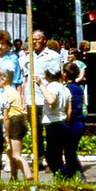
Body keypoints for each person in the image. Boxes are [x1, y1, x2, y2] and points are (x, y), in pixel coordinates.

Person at [22, 30, 60, 167]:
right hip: (32, 98)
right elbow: (25, 79)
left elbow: (55, 77)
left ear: (44, 40)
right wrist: (23, 100)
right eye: (32, 40)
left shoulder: (53, 55)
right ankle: (39, 157)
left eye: (38, 40)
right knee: (35, 130)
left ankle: (52, 159)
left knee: (50, 129)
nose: (35, 42)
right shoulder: (27, 57)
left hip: (46, 96)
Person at [35, 61, 70, 177]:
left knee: (52, 156)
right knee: (57, 154)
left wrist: (41, 85)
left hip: (53, 123)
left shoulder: (53, 86)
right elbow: (68, 110)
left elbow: (51, 100)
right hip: (62, 121)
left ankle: (62, 176)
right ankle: (61, 176)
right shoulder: (64, 88)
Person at [0, 69, 32, 181]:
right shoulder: (12, 91)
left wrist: (6, 133)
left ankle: (28, 174)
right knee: (10, 152)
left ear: (3, 79)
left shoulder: (6, 94)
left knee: (16, 154)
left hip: (15, 122)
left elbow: (5, 116)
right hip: (18, 121)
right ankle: (14, 177)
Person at [63, 62, 85, 180]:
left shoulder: (67, 89)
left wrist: (66, 123)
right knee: (71, 150)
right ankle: (76, 174)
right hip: (80, 121)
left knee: (69, 151)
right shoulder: (78, 88)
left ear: (65, 74)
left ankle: (75, 175)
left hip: (73, 123)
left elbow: (69, 110)